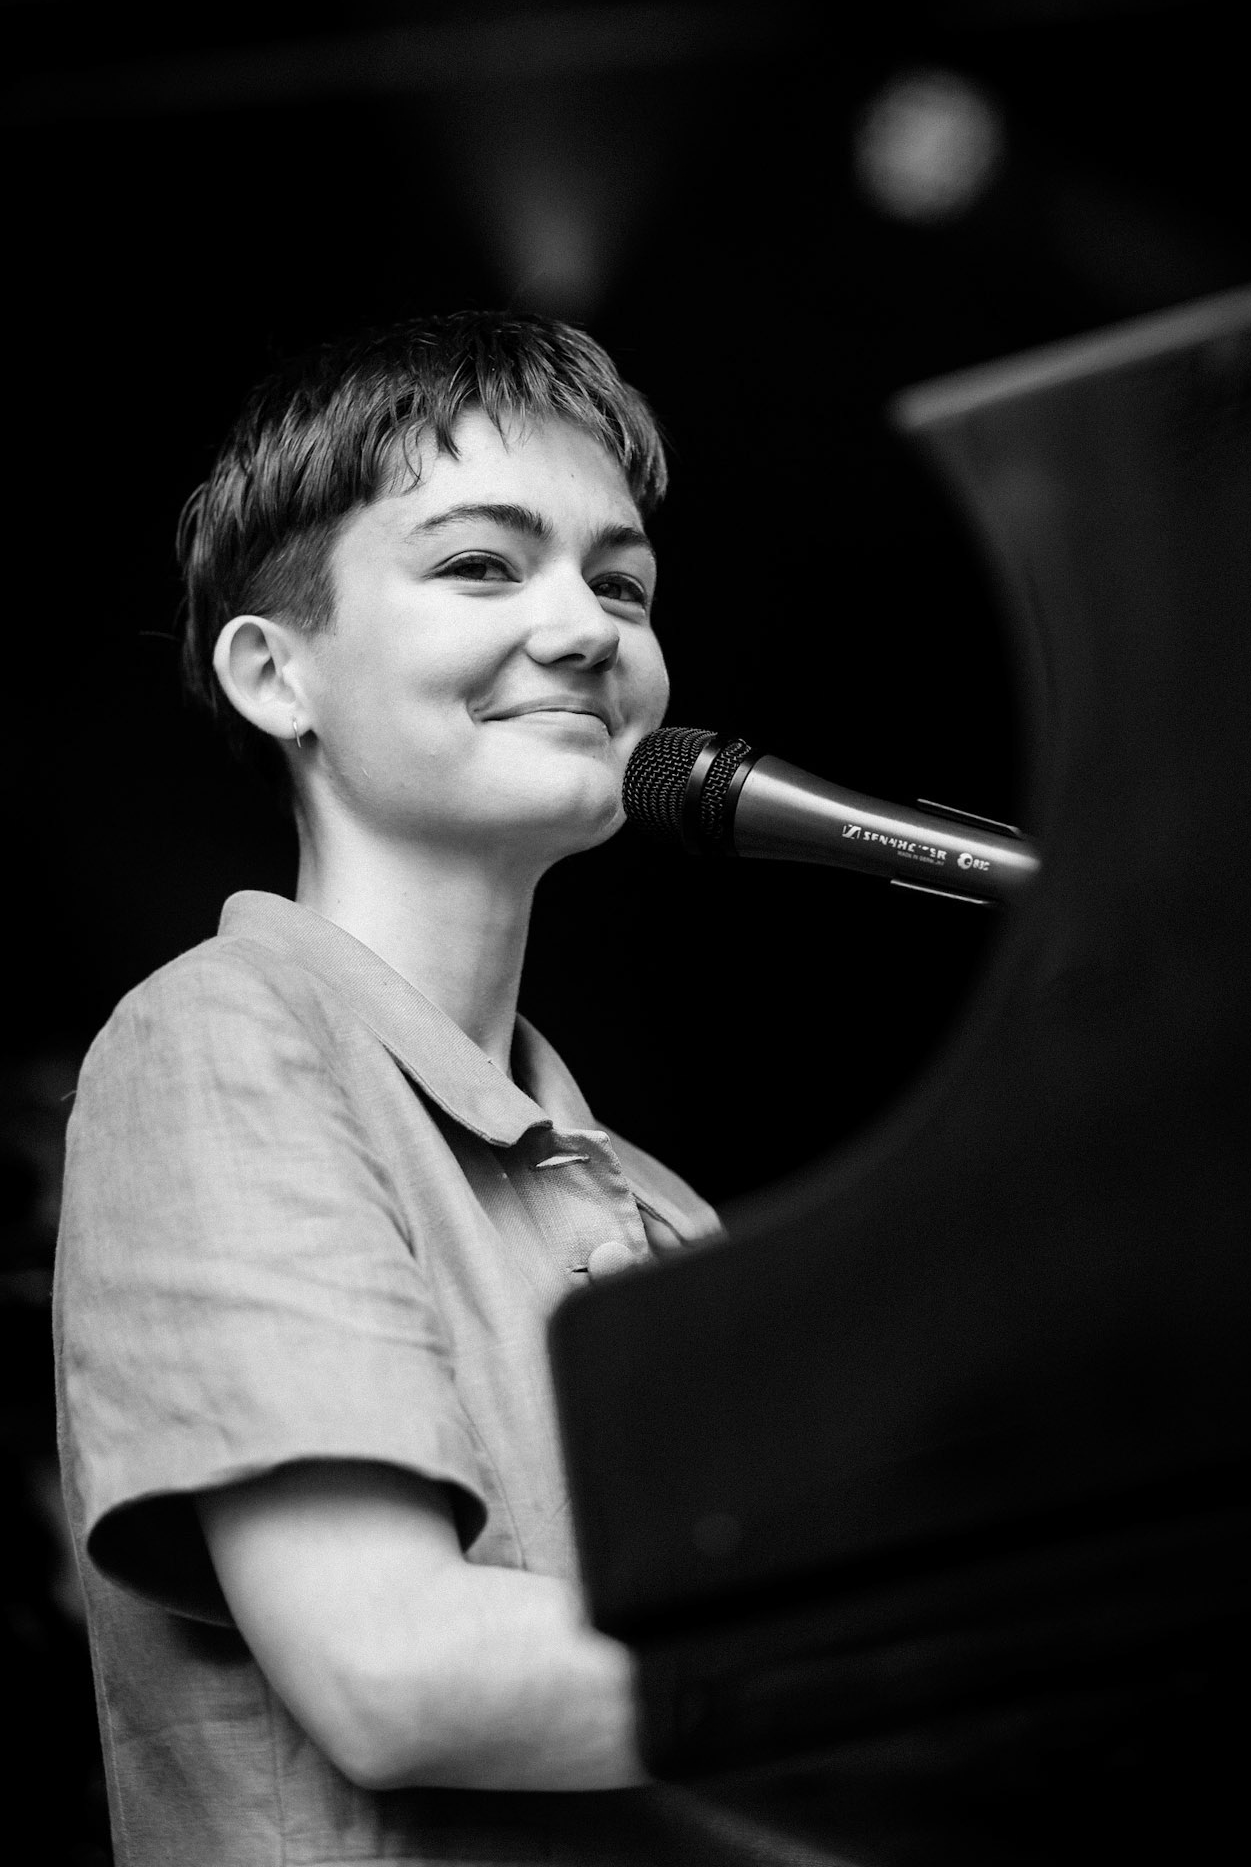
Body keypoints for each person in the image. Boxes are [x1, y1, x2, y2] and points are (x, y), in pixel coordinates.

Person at [54, 313, 739, 1866]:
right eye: (482, 566)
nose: (582, 628)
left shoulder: (660, 1204)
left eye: (619, 582)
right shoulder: (221, 1040)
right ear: (273, 674)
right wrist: (955, 1665)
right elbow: (395, 1670)